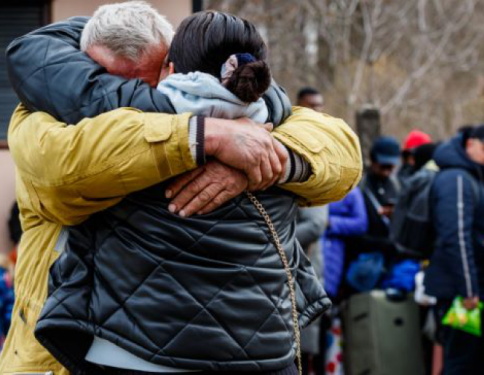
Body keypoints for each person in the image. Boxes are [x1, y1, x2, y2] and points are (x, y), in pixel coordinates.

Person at [2, 4, 362, 375]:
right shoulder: (45, 117)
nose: (149, 96)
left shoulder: (250, 114)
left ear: (173, 64)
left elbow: (344, 155)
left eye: (154, 77)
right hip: (55, 354)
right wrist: (203, 138)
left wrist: (268, 160)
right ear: (85, 71)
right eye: (117, 83)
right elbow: (64, 173)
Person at [424, 124, 484, 375]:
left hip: (483, 294)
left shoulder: (479, 177)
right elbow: (455, 237)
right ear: (470, 145)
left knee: (480, 362)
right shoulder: (456, 178)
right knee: (462, 364)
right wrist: (469, 290)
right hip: (464, 296)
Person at [295, 206, 328, 375]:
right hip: (292, 273)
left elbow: (316, 224)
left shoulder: (311, 183)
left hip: (301, 276)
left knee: (302, 352)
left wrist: (274, 239)